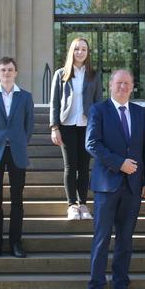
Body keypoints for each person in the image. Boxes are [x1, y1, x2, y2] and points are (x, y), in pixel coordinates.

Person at [86, 70, 145, 289]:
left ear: (133, 86)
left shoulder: (140, 113)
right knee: (101, 239)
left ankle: (120, 286)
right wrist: (120, 163)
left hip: (133, 187)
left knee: (125, 240)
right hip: (107, 185)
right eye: (119, 83)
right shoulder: (98, 110)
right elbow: (92, 144)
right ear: (110, 85)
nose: (123, 86)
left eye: (128, 83)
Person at [0, 56, 35, 259]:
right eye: (3, 70)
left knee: (17, 200)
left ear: (16, 72)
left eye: (10, 69)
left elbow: (29, 126)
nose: (6, 73)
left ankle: (15, 243)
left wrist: (19, 141)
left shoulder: (26, 97)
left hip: (17, 151)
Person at [49, 37, 103, 220]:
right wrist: (54, 127)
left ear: (88, 53)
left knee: (84, 166)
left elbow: (98, 104)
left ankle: (83, 205)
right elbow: (55, 102)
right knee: (70, 166)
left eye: (84, 50)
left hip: (87, 126)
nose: (80, 52)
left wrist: (99, 129)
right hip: (67, 125)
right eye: (77, 49)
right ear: (72, 51)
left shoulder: (94, 76)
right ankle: (72, 205)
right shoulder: (61, 74)